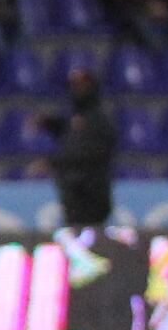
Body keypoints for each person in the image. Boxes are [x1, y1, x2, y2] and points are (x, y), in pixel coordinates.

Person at [41, 66, 120, 281]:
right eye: (74, 85)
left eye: (82, 85)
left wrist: (56, 162)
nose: (77, 90)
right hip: (73, 191)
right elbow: (69, 134)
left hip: (92, 192)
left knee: (90, 233)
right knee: (74, 230)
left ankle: (95, 272)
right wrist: (51, 125)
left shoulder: (98, 119)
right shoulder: (76, 118)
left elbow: (91, 149)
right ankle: (82, 270)